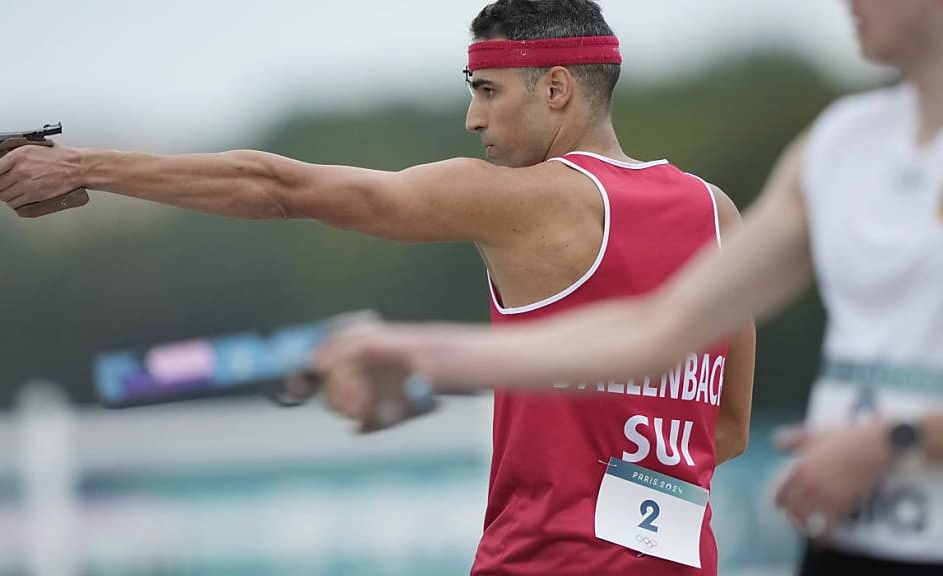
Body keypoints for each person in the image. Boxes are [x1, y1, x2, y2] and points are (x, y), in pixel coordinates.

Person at [0, 1, 754, 574]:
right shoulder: (716, 213)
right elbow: (722, 431)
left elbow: (280, 187)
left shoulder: (528, 197)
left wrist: (82, 168)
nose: (470, 119)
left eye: (486, 90)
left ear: (556, 89)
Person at [316, 0, 943, 574]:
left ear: (558, 88)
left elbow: (308, 192)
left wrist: (896, 441)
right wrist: (425, 357)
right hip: (847, 533)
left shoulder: (686, 204)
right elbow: (667, 343)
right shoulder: (838, 146)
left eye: (486, 91)